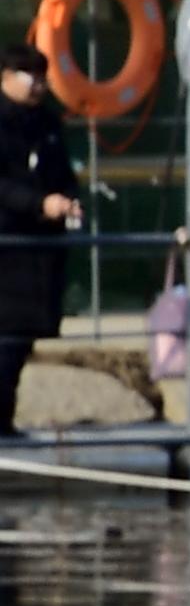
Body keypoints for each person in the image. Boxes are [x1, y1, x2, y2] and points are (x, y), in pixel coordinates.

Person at [0, 43, 81, 435]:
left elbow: (62, 170)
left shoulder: (47, 125)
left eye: (41, 78)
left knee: (21, 339)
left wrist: (68, 201)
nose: (37, 87)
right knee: (6, 338)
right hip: (8, 243)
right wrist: (36, 203)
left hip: (41, 248)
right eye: (28, 77)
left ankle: (5, 418)